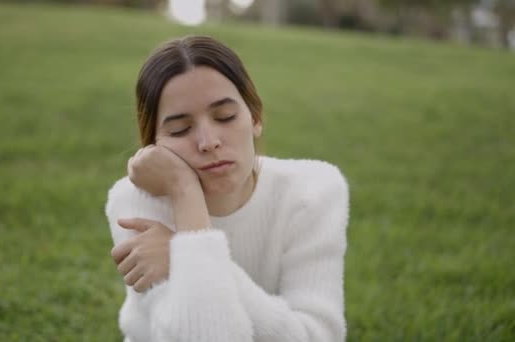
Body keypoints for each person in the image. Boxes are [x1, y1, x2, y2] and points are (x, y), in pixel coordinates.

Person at [105, 35, 349, 342]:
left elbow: (318, 337)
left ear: (255, 117)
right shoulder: (132, 201)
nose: (209, 142)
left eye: (225, 117)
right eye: (181, 129)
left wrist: (184, 256)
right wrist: (184, 191)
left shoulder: (314, 190)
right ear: (154, 145)